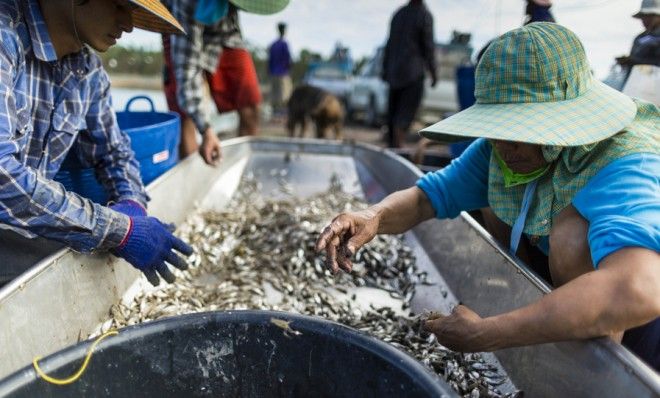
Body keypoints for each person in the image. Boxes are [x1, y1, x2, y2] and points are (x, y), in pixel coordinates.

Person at [316, 23, 660, 370]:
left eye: (519, 130)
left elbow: (638, 287)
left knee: (572, 237)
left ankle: (593, 374)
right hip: (568, 292)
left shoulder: (625, 159)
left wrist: (486, 333)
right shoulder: (500, 150)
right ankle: (548, 321)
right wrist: (374, 216)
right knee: (489, 197)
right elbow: (429, 197)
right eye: (498, 129)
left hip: (641, 327)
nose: (503, 147)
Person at [0, 0, 193, 286]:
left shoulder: (87, 70)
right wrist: (117, 230)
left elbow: (114, 153)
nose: (128, 24)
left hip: (23, 235)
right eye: (119, 6)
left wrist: (131, 204)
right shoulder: (6, 39)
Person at [163, 0, 287, 162]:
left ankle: (242, 169)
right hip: (180, 27)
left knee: (251, 103)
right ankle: (193, 179)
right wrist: (206, 129)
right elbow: (187, 72)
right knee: (184, 115)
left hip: (225, 33)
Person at [382, 0, 437, 148]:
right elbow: (428, 46)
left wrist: (385, 70)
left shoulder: (398, 14)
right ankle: (398, 149)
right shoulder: (424, 15)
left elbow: (389, 44)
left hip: (394, 74)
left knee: (394, 115)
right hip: (412, 75)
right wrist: (433, 72)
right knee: (404, 115)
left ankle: (393, 148)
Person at [616, 0, 660, 71]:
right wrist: (627, 62)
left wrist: (635, 62)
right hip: (640, 80)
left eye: (649, 16)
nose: (645, 20)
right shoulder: (640, 38)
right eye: (643, 16)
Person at [268, 22, 293, 116]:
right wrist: (288, 69)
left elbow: (269, 60)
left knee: (274, 92)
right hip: (283, 72)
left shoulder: (273, 44)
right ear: (284, 31)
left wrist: (270, 71)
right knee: (284, 93)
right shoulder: (284, 44)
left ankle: (275, 112)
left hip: (273, 72)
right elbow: (288, 59)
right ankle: (281, 113)